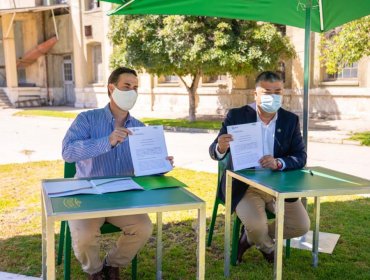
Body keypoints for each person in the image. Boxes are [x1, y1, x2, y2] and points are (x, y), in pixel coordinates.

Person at [62, 67, 173, 280]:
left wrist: (160, 165)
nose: (132, 92)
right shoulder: (87, 119)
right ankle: (94, 271)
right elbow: (68, 152)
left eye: (135, 88)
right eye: (126, 86)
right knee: (84, 235)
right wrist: (108, 141)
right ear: (111, 89)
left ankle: (112, 264)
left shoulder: (140, 128)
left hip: (123, 196)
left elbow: (144, 168)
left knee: (143, 227)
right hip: (88, 193)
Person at [209, 71, 310, 263]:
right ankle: (268, 248)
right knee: (257, 226)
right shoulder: (237, 116)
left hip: (278, 185)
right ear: (255, 94)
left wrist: (279, 162)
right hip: (244, 185)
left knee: (300, 226)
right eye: (266, 92)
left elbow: (300, 156)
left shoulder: (290, 120)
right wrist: (221, 147)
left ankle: (248, 239)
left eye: (277, 91)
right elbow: (214, 152)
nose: (273, 96)